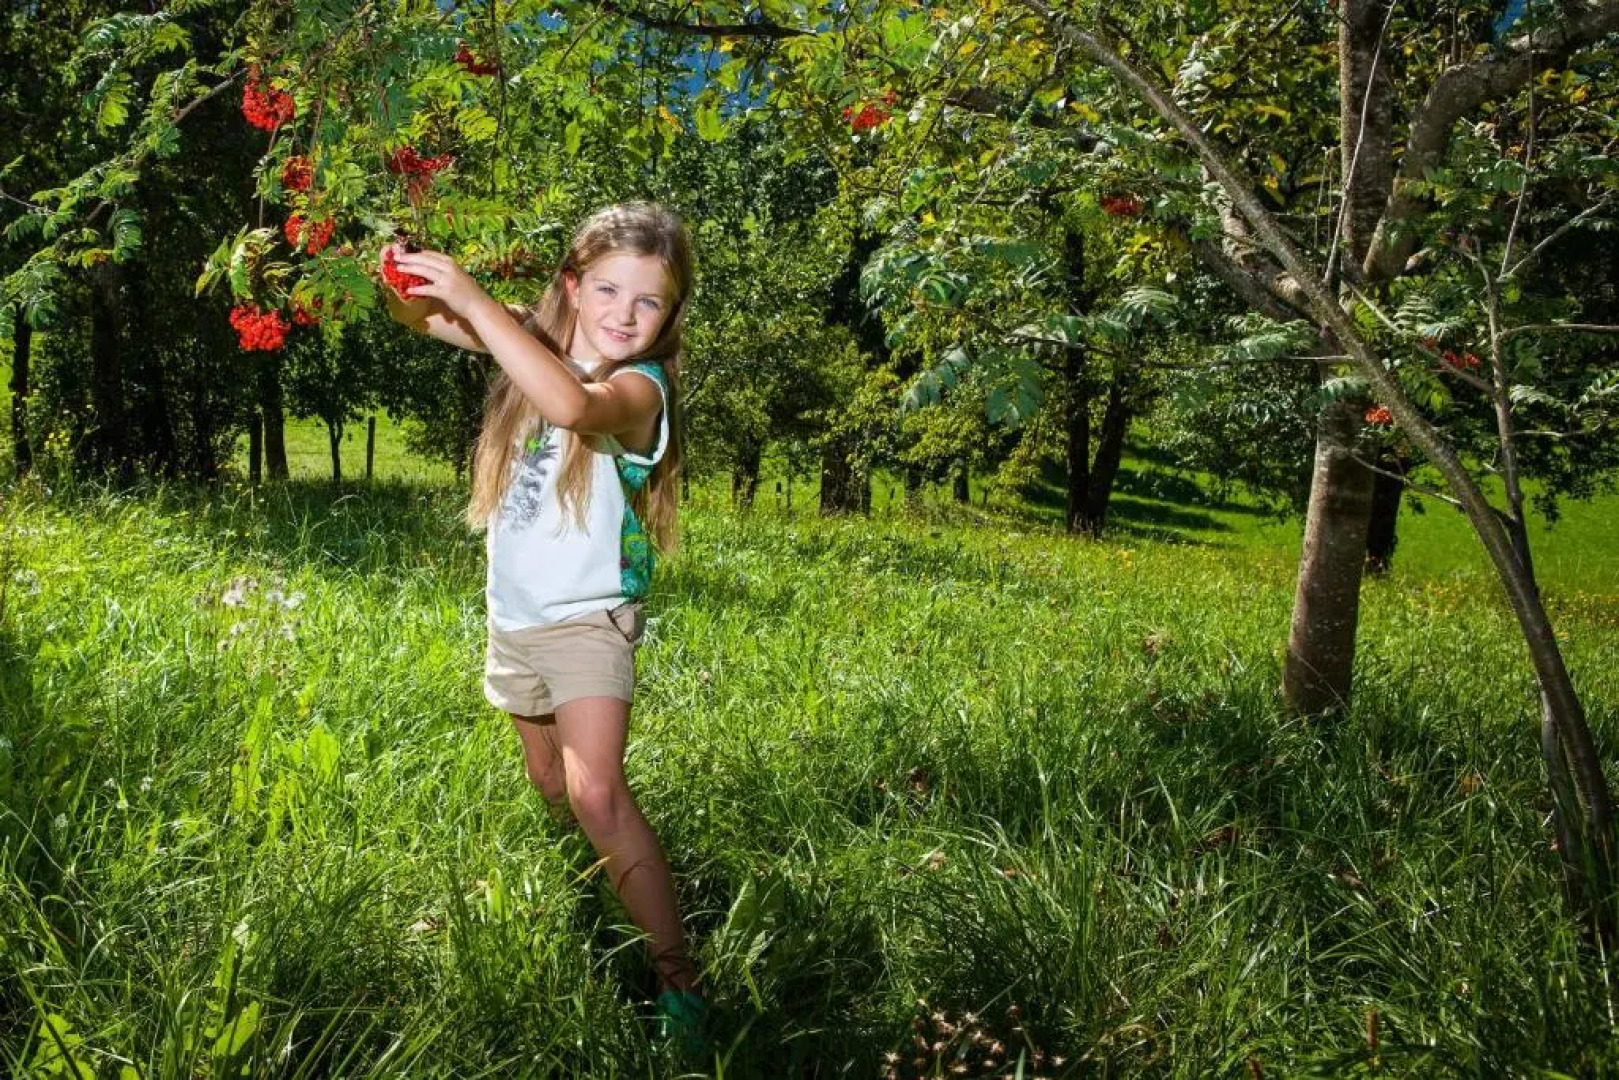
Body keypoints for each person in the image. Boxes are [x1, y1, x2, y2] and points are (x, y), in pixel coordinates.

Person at [382, 202, 706, 1048]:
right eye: (606, 290)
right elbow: (419, 318)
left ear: (669, 317)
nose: (624, 315)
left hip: (587, 620)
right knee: (553, 786)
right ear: (573, 283)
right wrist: (405, 270)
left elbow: (570, 406)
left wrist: (480, 300)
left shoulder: (640, 391)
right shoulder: (538, 347)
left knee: (596, 791)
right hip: (514, 619)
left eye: (647, 303)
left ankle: (681, 981)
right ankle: (598, 885)